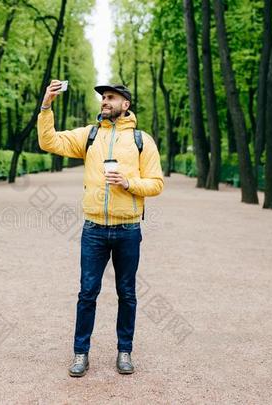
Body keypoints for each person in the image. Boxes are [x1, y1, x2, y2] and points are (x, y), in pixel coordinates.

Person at [37, 81, 164, 377]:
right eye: (103, 98)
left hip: (128, 230)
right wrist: (46, 106)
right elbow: (49, 142)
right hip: (93, 229)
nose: (104, 102)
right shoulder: (89, 135)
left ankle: (124, 351)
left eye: (110, 97)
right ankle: (81, 354)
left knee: (127, 293)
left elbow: (156, 183)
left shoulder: (141, 141)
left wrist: (128, 183)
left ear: (125, 105)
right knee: (87, 293)